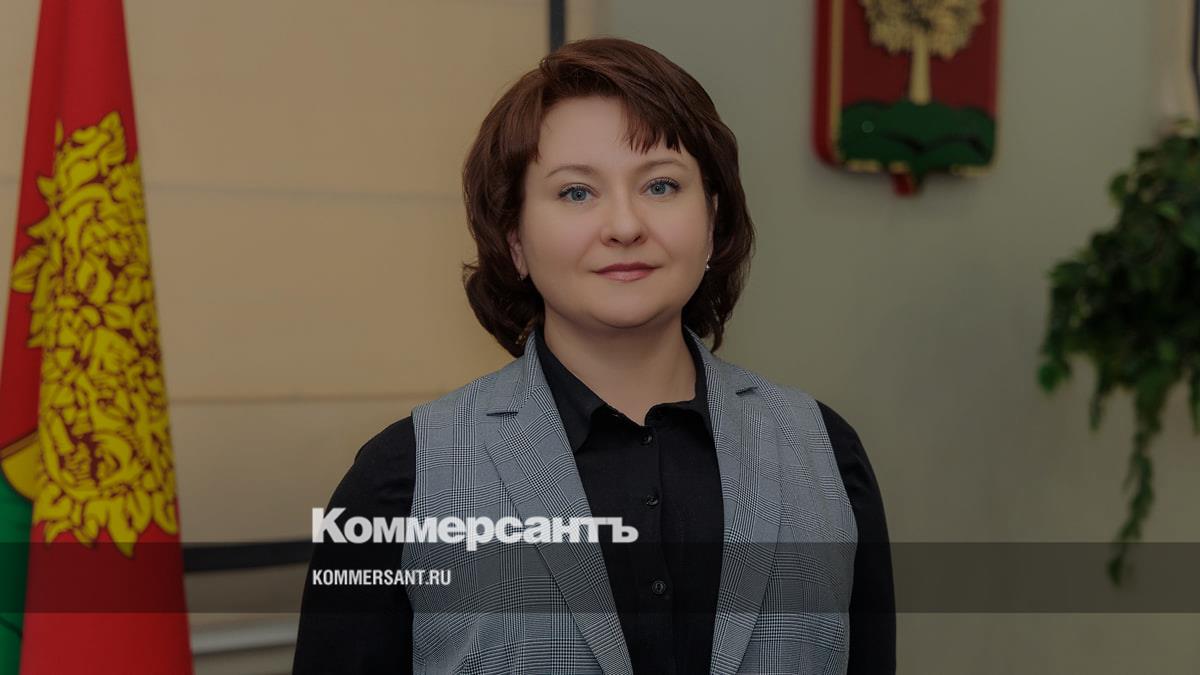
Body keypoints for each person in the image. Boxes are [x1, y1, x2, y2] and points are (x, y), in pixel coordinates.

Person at [293, 36, 895, 674]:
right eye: (577, 193)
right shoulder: (403, 479)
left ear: (712, 220)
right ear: (515, 239)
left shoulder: (825, 454)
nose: (625, 226)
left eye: (661, 185)